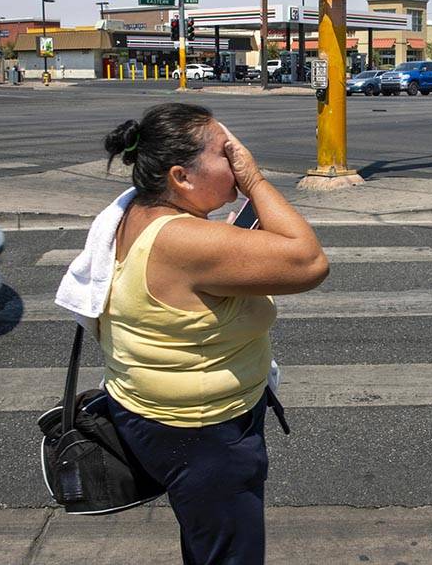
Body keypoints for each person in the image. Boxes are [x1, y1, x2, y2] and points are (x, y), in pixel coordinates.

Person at [99, 103, 328, 564]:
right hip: (203, 432)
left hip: (151, 415)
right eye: (227, 153)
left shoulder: (134, 212)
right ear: (181, 177)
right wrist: (256, 181)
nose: (238, 161)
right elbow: (309, 262)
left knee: (205, 538)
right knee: (229, 554)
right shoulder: (183, 240)